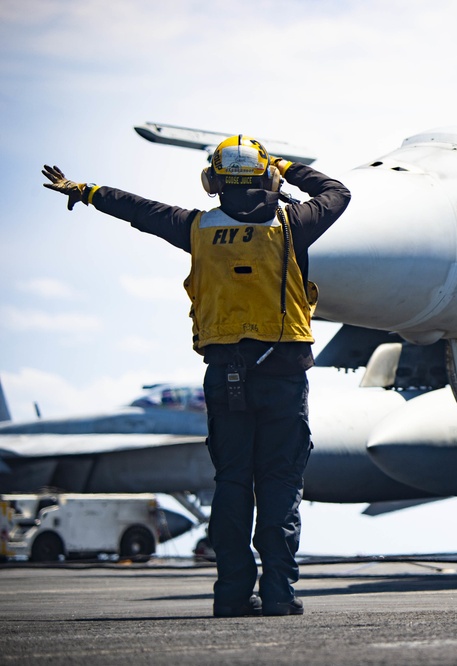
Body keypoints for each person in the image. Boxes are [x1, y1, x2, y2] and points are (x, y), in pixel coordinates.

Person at [42, 135, 351, 617]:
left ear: (213, 181)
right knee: (280, 485)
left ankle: (230, 594)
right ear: (268, 176)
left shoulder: (197, 228)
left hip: (225, 377)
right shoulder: (293, 224)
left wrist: (86, 191)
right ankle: (279, 594)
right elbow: (337, 192)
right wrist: (287, 166)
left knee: (231, 484)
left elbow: (138, 210)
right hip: (284, 379)